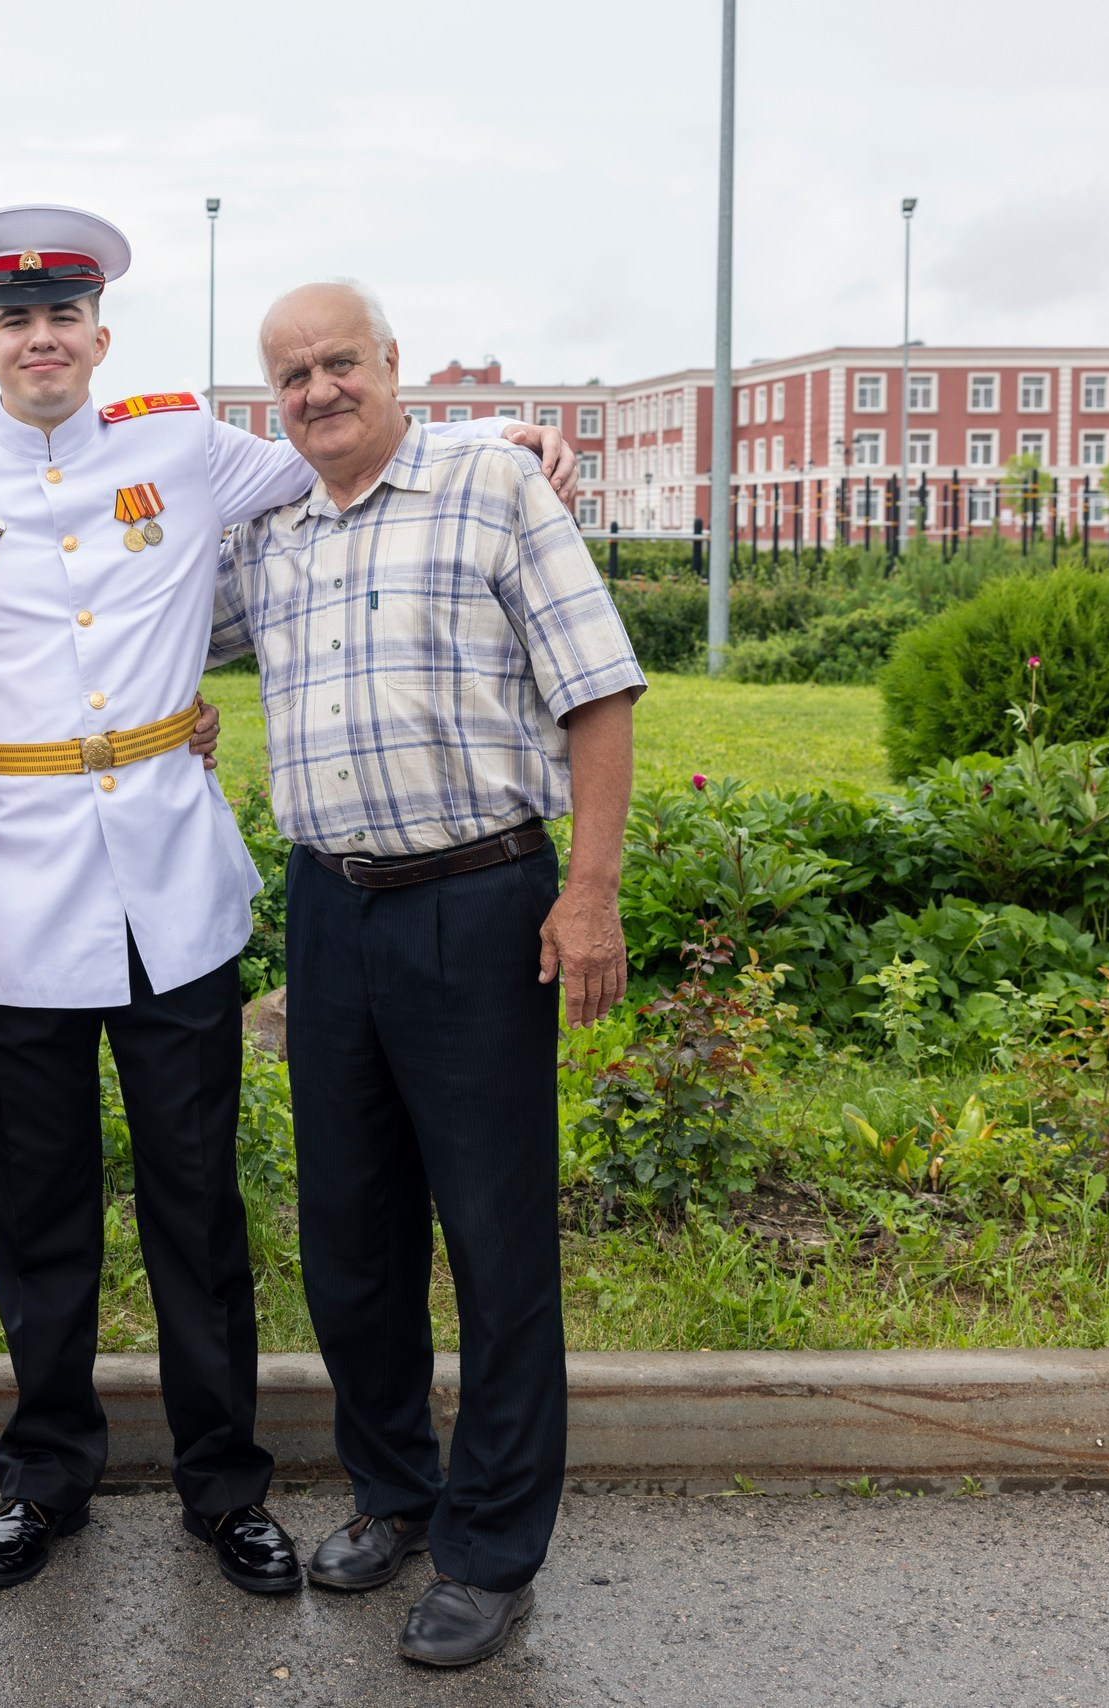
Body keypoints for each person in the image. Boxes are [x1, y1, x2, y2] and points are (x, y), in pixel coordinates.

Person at [0, 205, 578, 1597]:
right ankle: (47, 1480)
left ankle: (226, 1489)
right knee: (42, 1218)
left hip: (173, 891)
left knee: (196, 1210)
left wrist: (504, 443)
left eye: (64, 318)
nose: (42, 340)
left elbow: (347, 450)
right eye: (14, 322)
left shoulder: (187, 449)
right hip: (20, 906)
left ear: (100, 336)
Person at [207, 280, 642, 1669]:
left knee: (497, 1239)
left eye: (341, 363)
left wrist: (589, 894)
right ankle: (396, 1493)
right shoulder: (267, 529)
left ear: (393, 368)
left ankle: (492, 1550)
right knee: (351, 1235)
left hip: (481, 902)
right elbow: (106, 619)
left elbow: (598, 691)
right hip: (331, 913)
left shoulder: (492, 489)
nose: (319, 389)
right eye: (291, 375)